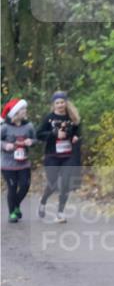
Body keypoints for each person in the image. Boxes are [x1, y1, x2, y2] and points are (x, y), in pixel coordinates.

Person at [36, 91, 82, 223]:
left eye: (62, 102)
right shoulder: (49, 118)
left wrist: (75, 137)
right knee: (53, 184)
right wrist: (54, 134)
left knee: (66, 183)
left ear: (66, 103)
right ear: (54, 104)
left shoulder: (72, 117)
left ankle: (60, 213)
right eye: (57, 102)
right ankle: (43, 200)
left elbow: (78, 131)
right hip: (52, 156)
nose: (60, 105)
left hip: (68, 156)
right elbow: (39, 134)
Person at [1, 98, 35, 223]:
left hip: (24, 163)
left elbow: (35, 140)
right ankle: (12, 213)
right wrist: (5, 146)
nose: (25, 111)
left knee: (25, 186)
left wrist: (31, 142)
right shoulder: (4, 127)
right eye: (23, 109)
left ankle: (15, 205)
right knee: (12, 187)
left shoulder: (29, 126)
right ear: (15, 113)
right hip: (8, 165)